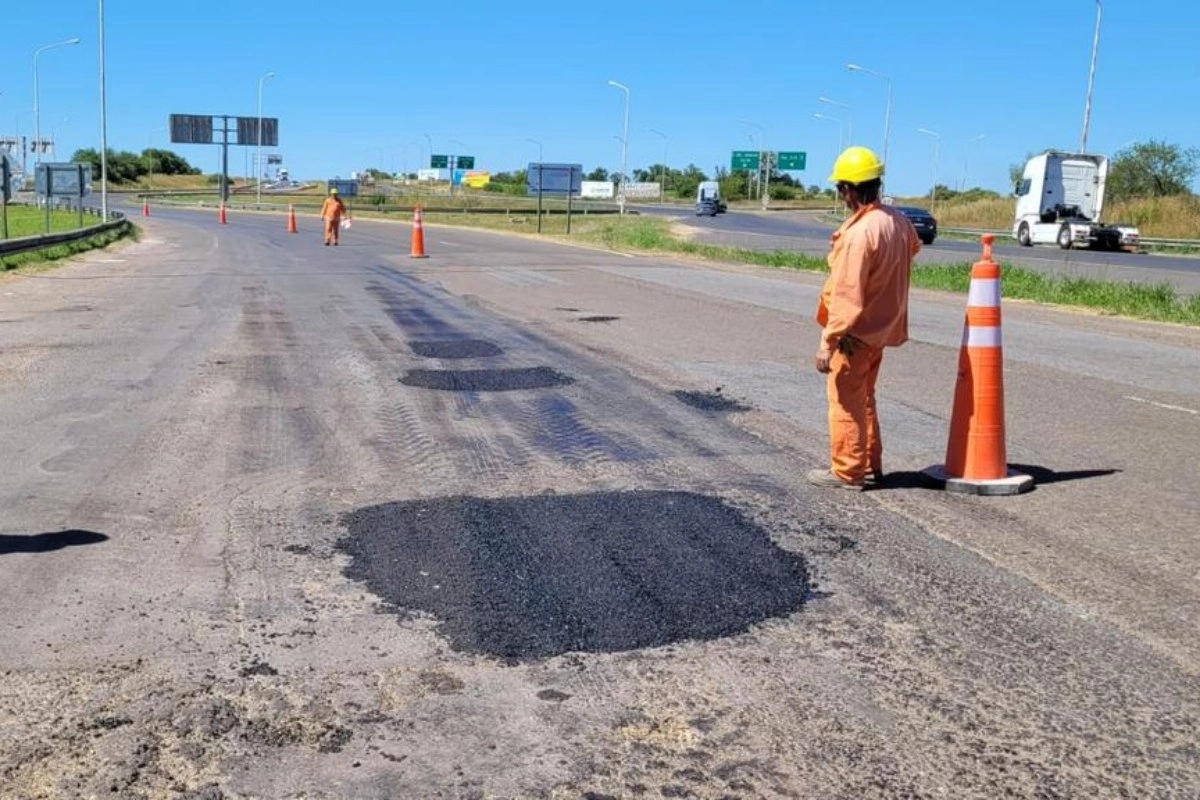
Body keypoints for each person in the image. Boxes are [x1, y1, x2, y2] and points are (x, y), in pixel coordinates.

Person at [807, 146, 920, 491]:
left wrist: (828, 342)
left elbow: (845, 294)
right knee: (864, 397)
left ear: (849, 189)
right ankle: (870, 464)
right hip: (880, 329)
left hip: (853, 335)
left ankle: (847, 470)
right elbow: (913, 248)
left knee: (844, 400)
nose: (841, 195)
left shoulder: (858, 235)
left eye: (840, 188)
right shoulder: (897, 222)